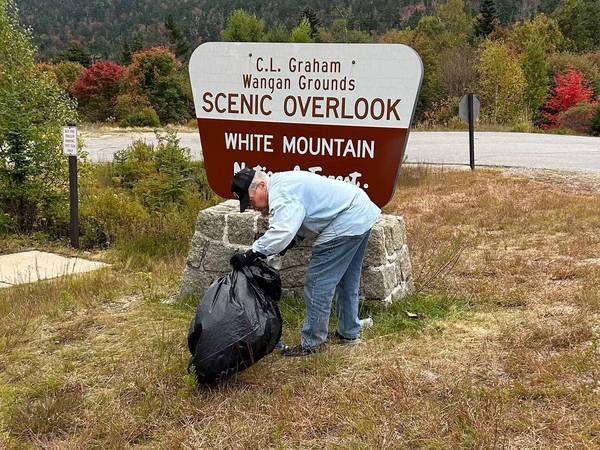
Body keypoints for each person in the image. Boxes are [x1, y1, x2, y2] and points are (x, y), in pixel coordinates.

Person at [229, 168, 380, 357]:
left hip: (348, 219)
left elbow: (282, 231)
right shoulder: (283, 184)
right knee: (347, 280)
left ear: (261, 185)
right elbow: (302, 219)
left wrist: (251, 253)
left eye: (250, 200)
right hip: (360, 210)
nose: (252, 206)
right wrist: (289, 243)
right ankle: (349, 333)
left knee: (317, 283)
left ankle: (313, 344)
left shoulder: (281, 193)